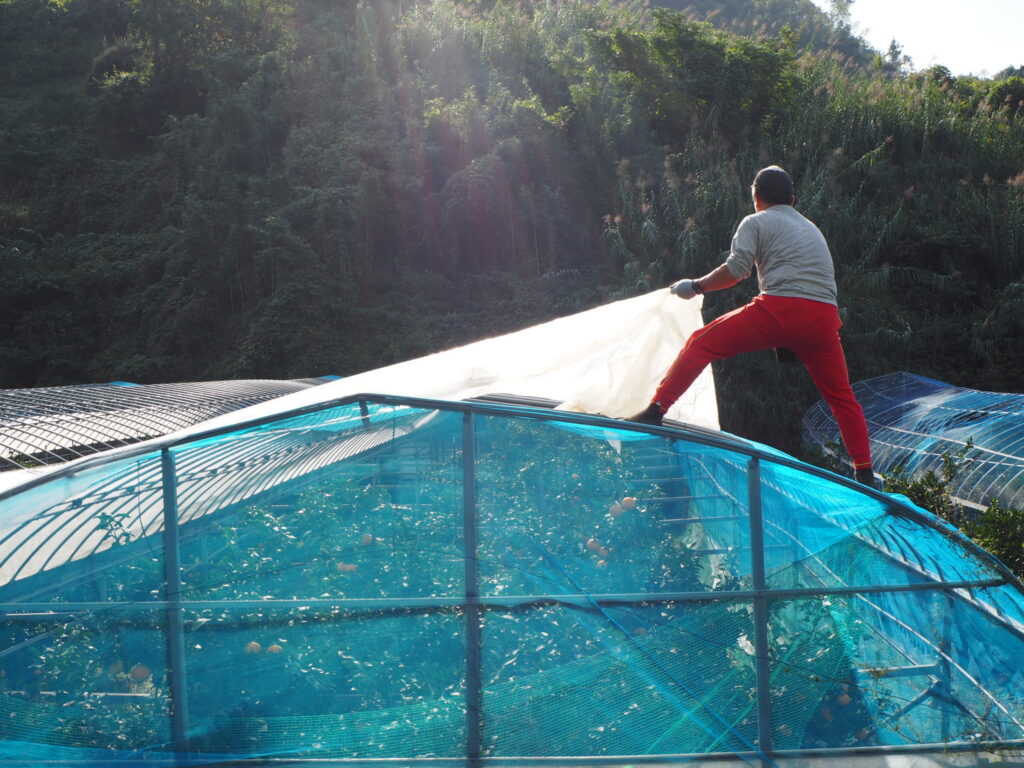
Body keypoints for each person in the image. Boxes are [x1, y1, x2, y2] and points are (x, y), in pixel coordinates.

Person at [628, 165, 878, 489]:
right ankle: (865, 472)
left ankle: (654, 411)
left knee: (701, 343)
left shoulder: (756, 221)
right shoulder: (811, 228)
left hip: (781, 309)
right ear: (793, 198)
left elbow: (736, 270)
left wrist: (696, 286)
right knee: (842, 397)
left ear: (756, 197)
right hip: (824, 318)